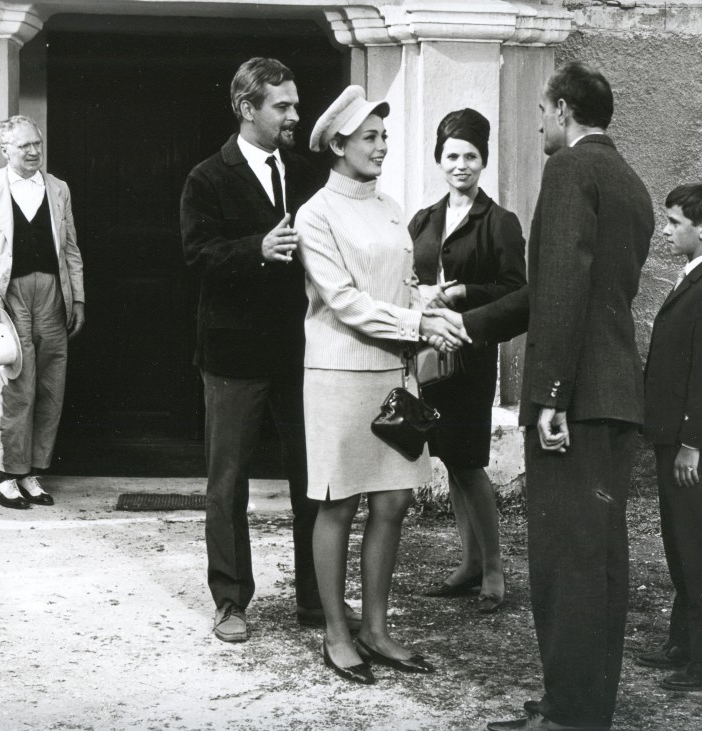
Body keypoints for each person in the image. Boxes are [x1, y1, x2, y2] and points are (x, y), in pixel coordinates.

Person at [457, 62, 654, 729]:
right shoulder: (626, 178)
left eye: (543, 110)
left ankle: (568, 713)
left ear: (564, 109)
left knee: (566, 562)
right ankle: (582, 705)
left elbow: (564, 288)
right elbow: (561, 292)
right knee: (597, 562)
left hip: (577, 399)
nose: (540, 122)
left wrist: (549, 399)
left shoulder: (570, 170)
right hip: (612, 394)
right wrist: (467, 323)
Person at [296, 85, 471, 685]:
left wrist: (434, 311)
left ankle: (375, 628)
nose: (381, 146)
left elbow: (406, 284)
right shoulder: (316, 214)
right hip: (340, 373)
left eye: (384, 137)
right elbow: (344, 302)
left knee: (393, 500)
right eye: (369, 137)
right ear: (338, 145)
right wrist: (417, 324)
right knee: (339, 502)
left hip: (395, 372)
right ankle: (335, 632)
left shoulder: (391, 206)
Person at [179, 58, 329, 643]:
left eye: (295, 105)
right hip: (233, 356)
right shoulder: (207, 178)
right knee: (228, 484)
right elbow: (197, 256)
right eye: (282, 106)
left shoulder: (307, 173)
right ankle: (230, 601)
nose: (294, 115)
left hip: (299, 352)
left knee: (312, 480)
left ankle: (315, 601)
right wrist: (255, 249)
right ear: (247, 109)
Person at [409, 108, 526, 612]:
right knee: (451, 461)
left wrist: (461, 292)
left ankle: (494, 568)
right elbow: (406, 276)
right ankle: (469, 561)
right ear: (440, 159)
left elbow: (515, 291)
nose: (461, 165)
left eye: (471, 156)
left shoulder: (499, 222)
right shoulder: (423, 219)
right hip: (430, 355)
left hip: (471, 357)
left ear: (484, 161)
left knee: (470, 462)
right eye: (453, 155)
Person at [636, 183, 702, 693]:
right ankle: (685, 642)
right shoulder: (697, 278)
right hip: (679, 437)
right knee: (682, 543)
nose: (666, 231)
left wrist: (693, 444)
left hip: (698, 444)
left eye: (674, 222)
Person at [0, 115, 85, 510]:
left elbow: (70, 249)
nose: (33, 152)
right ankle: (5, 474)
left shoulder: (58, 188)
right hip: (9, 296)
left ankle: (31, 471)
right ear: (5, 149)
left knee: (50, 385)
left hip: (52, 296)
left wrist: (78, 299)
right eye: (24, 145)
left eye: (37, 144)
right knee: (17, 384)